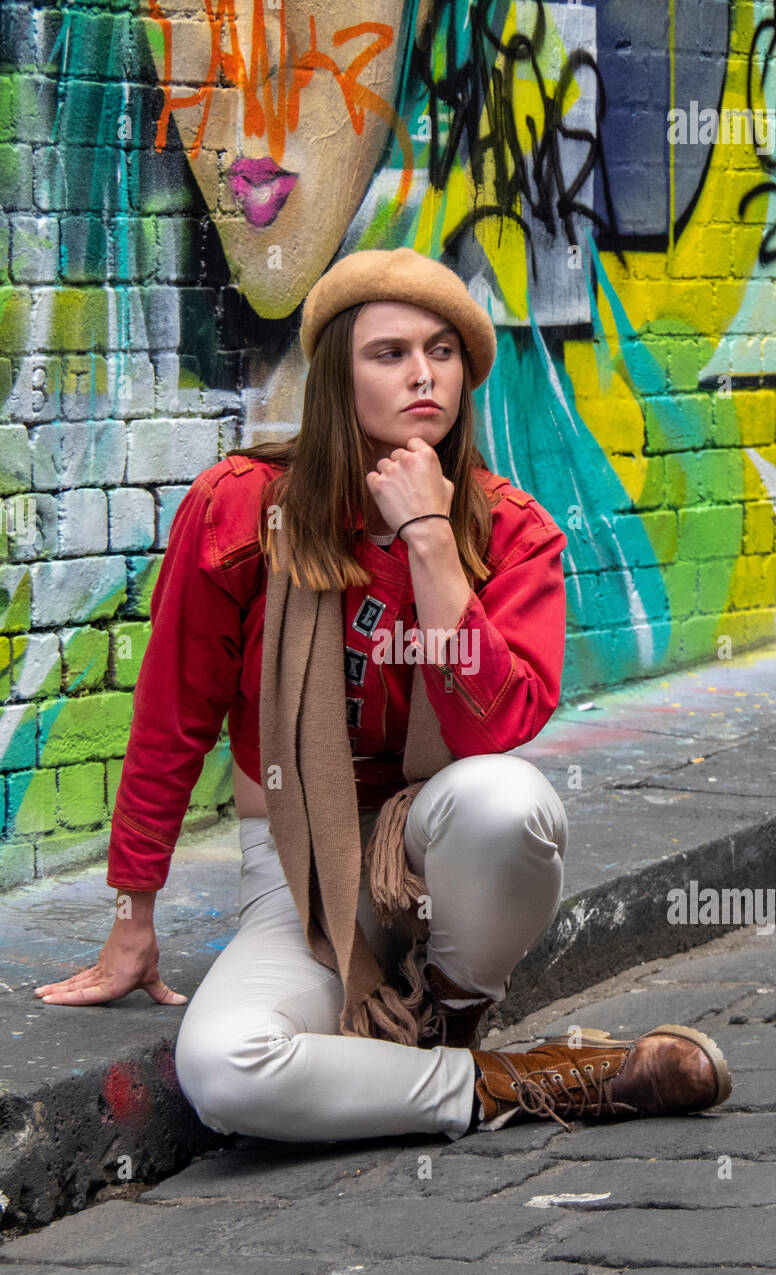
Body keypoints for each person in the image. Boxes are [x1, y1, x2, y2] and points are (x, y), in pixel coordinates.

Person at [34, 247, 732, 1143]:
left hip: (444, 860)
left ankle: (453, 1007)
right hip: (296, 873)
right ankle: (513, 1079)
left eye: (441, 352)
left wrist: (432, 541)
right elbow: (174, 714)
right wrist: (134, 913)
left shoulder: (508, 529)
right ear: (337, 374)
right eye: (388, 353)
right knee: (223, 1069)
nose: (420, 375)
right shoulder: (243, 508)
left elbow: (503, 724)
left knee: (506, 798)